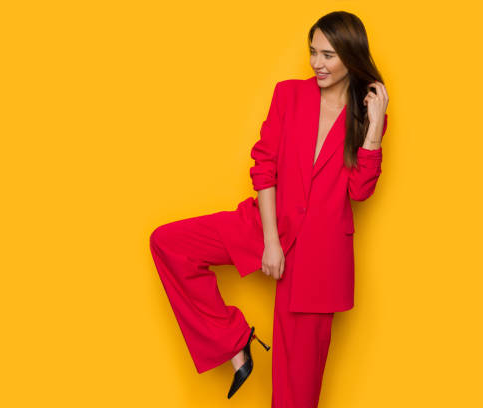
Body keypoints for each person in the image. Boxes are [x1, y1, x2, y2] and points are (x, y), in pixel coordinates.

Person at [149, 10, 389, 408]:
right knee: (169, 243)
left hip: (319, 258)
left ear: (351, 56)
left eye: (328, 55)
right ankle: (233, 340)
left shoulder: (367, 116)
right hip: (265, 224)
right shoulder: (289, 95)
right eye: (313, 52)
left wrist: (375, 133)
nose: (316, 63)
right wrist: (272, 242)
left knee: (295, 397)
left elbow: (360, 192)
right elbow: (264, 167)